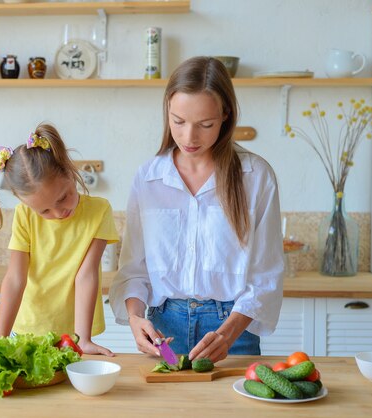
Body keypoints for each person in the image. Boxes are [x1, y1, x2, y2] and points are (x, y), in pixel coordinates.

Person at [109, 56, 284, 363]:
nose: (189, 137)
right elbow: (134, 270)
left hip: (234, 334)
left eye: (206, 124)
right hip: (164, 331)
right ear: (167, 111)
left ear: (225, 116)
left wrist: (227, 334)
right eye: (179, 121)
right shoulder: (148, 178)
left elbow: (266, 277)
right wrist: (136, 318)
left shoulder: (255, 177)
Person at [0, 123, 119, 356]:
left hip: (74, 332)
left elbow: (86, 274)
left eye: (63, 197)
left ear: (69, 171)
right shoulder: (24, 215)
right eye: (45, 211)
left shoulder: (99, 211)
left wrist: (83, 339)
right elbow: (15, 279)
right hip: (29, 326)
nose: (59, 212)